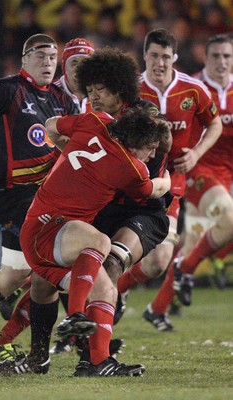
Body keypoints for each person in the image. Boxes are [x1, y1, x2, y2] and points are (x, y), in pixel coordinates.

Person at [0, 47, 171, 363]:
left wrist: (166, 180)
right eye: (90, 90)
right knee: (47, 279)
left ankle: (92, 356)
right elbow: (58, 129)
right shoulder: (95, 118)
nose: (94, 97)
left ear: (120, 88)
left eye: (102, 90)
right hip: (104, 204)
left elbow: (160, 144)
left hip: (141, 208)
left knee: (109, 263)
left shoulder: (142, 115)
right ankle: (26, 348)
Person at [0, 33, 79, 366]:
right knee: (51, 263)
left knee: (14, 272)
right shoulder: (6, 89)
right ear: (24, 60)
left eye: (53, 57)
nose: (48, 63)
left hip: (45, 196)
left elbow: (69, 145)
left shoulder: (62, 99)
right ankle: (57, 347)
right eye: (40, 56)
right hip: (13, 194)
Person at [116, 28, 222, 331]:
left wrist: (196, 154)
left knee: (158, 262)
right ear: (144, 56)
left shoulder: (192, 89)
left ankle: (118, 289)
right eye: (154, 55)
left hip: (170, 182)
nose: (159, 62)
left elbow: (213, 124)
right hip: (129, 181)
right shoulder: (130, 91)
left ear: (174, 58)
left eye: (165, 57)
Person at [143, 34, 233, 327]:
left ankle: (157, 308)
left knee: (189, 243)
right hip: (196, 172)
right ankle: (189, 268)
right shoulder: (193, 85)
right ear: (204, 58)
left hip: (221, 174)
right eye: (216, 56)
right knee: (226, 222)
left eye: (227, 56)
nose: (222, 62)